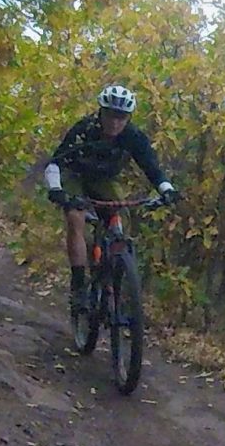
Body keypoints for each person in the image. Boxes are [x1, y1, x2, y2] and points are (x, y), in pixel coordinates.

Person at [43, 84, 179, 324]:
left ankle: (116, 281)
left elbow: (152, 168)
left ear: (128, 118)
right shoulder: (85, 130)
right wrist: (56, 189)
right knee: (76, 216)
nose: (115, 122)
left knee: (120, 216)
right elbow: (55, 163)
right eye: (110, 115)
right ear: (101, 112)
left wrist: (167, 190)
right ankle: (78, 286)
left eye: (122, 117)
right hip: (74, 176)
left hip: (104, 179)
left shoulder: (133, 136)